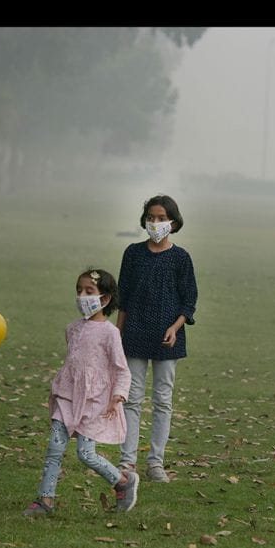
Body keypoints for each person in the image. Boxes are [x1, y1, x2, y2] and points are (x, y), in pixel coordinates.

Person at [23, 268, 138, 516]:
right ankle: (45, 500)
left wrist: (118, 395)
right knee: (54, 448)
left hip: (94, 401)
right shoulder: (72, 329)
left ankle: (123, 482)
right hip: (66, 396)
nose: (81, 296)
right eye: (78, 291)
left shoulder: (111, 333)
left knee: (86, 454)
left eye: (89, 291)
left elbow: (121, 369)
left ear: (104, 299)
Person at [117, 195, 198, 483]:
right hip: (135, 334)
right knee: (132, 399)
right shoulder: (133, 253)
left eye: (162, 218)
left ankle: (156, 463)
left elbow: (189, 302)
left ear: (173, 222)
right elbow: (123, 298)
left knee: (163, 400)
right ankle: (127, 462)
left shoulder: (181, 258)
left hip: (168, 340)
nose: (155, 223)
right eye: (151, 217)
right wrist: (118, 335)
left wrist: (175, 328)